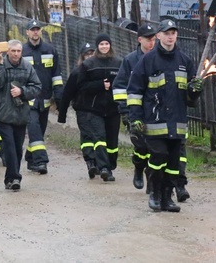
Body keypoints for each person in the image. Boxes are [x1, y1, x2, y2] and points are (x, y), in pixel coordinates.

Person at [127, 19, 202, 213]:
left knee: (173, 163)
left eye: (173, 33)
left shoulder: (185, 61)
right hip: (154, 122)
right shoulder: (147, 61)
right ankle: (154, 194)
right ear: (158, 36)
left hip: (177, 123)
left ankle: (167, 197)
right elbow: (135, 91)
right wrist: (135, 118)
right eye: (166, 33)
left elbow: (190, 100)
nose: (170, 36)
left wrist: (195, 91)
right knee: (158, 156)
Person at [60, 33, 122, 182]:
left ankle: (110, 164)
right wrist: (101, 85)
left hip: (113, 109)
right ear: (98, 47)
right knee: (98, 138)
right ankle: (102, 167)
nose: (104, 46)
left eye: (106, 44)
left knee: (112, 142)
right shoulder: (88, 65)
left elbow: (126, 82)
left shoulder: (119, 62)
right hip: (92, 109)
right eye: (101, 44)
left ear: (110, 45)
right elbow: (77, 87)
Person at [0, 39, 41, 190]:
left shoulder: (26, 66)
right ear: (8, 51)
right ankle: (15, 178)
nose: (16, 54)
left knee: (18, 148)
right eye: (13, 51)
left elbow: (37, 86)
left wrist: (22, 91)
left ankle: (9, 179)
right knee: (10, 146)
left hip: (20, 113)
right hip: (2, 113)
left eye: (18, 51)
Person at [112, 24, 158, 193]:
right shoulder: (130, 60)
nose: (151, 43)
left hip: (155, 111)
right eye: (148, 39)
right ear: (140, 40)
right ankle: (139, 167)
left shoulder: (159, 58)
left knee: (156, 148)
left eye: (153, 39)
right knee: (141, 147)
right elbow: (119, 87)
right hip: (136, 112)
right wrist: (125, 112)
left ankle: (152, 182)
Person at [21, 19, 63, 175]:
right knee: (34, 129)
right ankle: (41, 162)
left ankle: (30, 158)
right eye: (32, 29)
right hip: (27, 101)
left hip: (45, 100)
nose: (35, 32)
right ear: (27, 32)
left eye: (37, 29)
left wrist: (59, 97)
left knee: (39, 132)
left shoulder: (50, 50)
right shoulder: (21, 52)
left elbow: (56, 76)